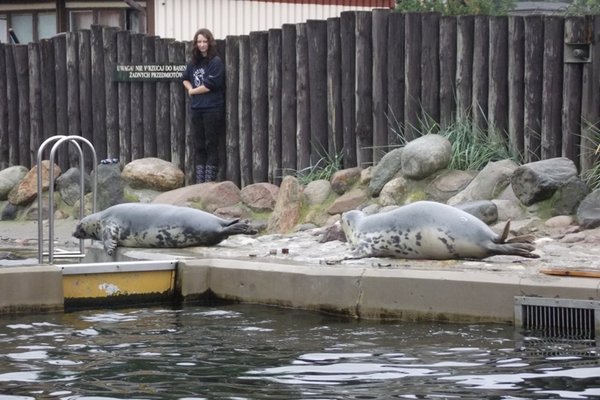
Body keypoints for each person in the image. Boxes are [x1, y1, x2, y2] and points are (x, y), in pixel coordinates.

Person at [182, 28, 225, 183]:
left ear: (209, 43)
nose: (201, 45)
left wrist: (193, 91)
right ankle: (200, 183)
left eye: (204, 41)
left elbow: (209, 85)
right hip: (197, 109)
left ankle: (209, 182)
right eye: (199, 42)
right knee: (199, 145)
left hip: (212, 108)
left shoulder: (216, 62)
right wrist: (190, 89)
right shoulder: (193, 63)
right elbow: (185, 78)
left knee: (211, 145)